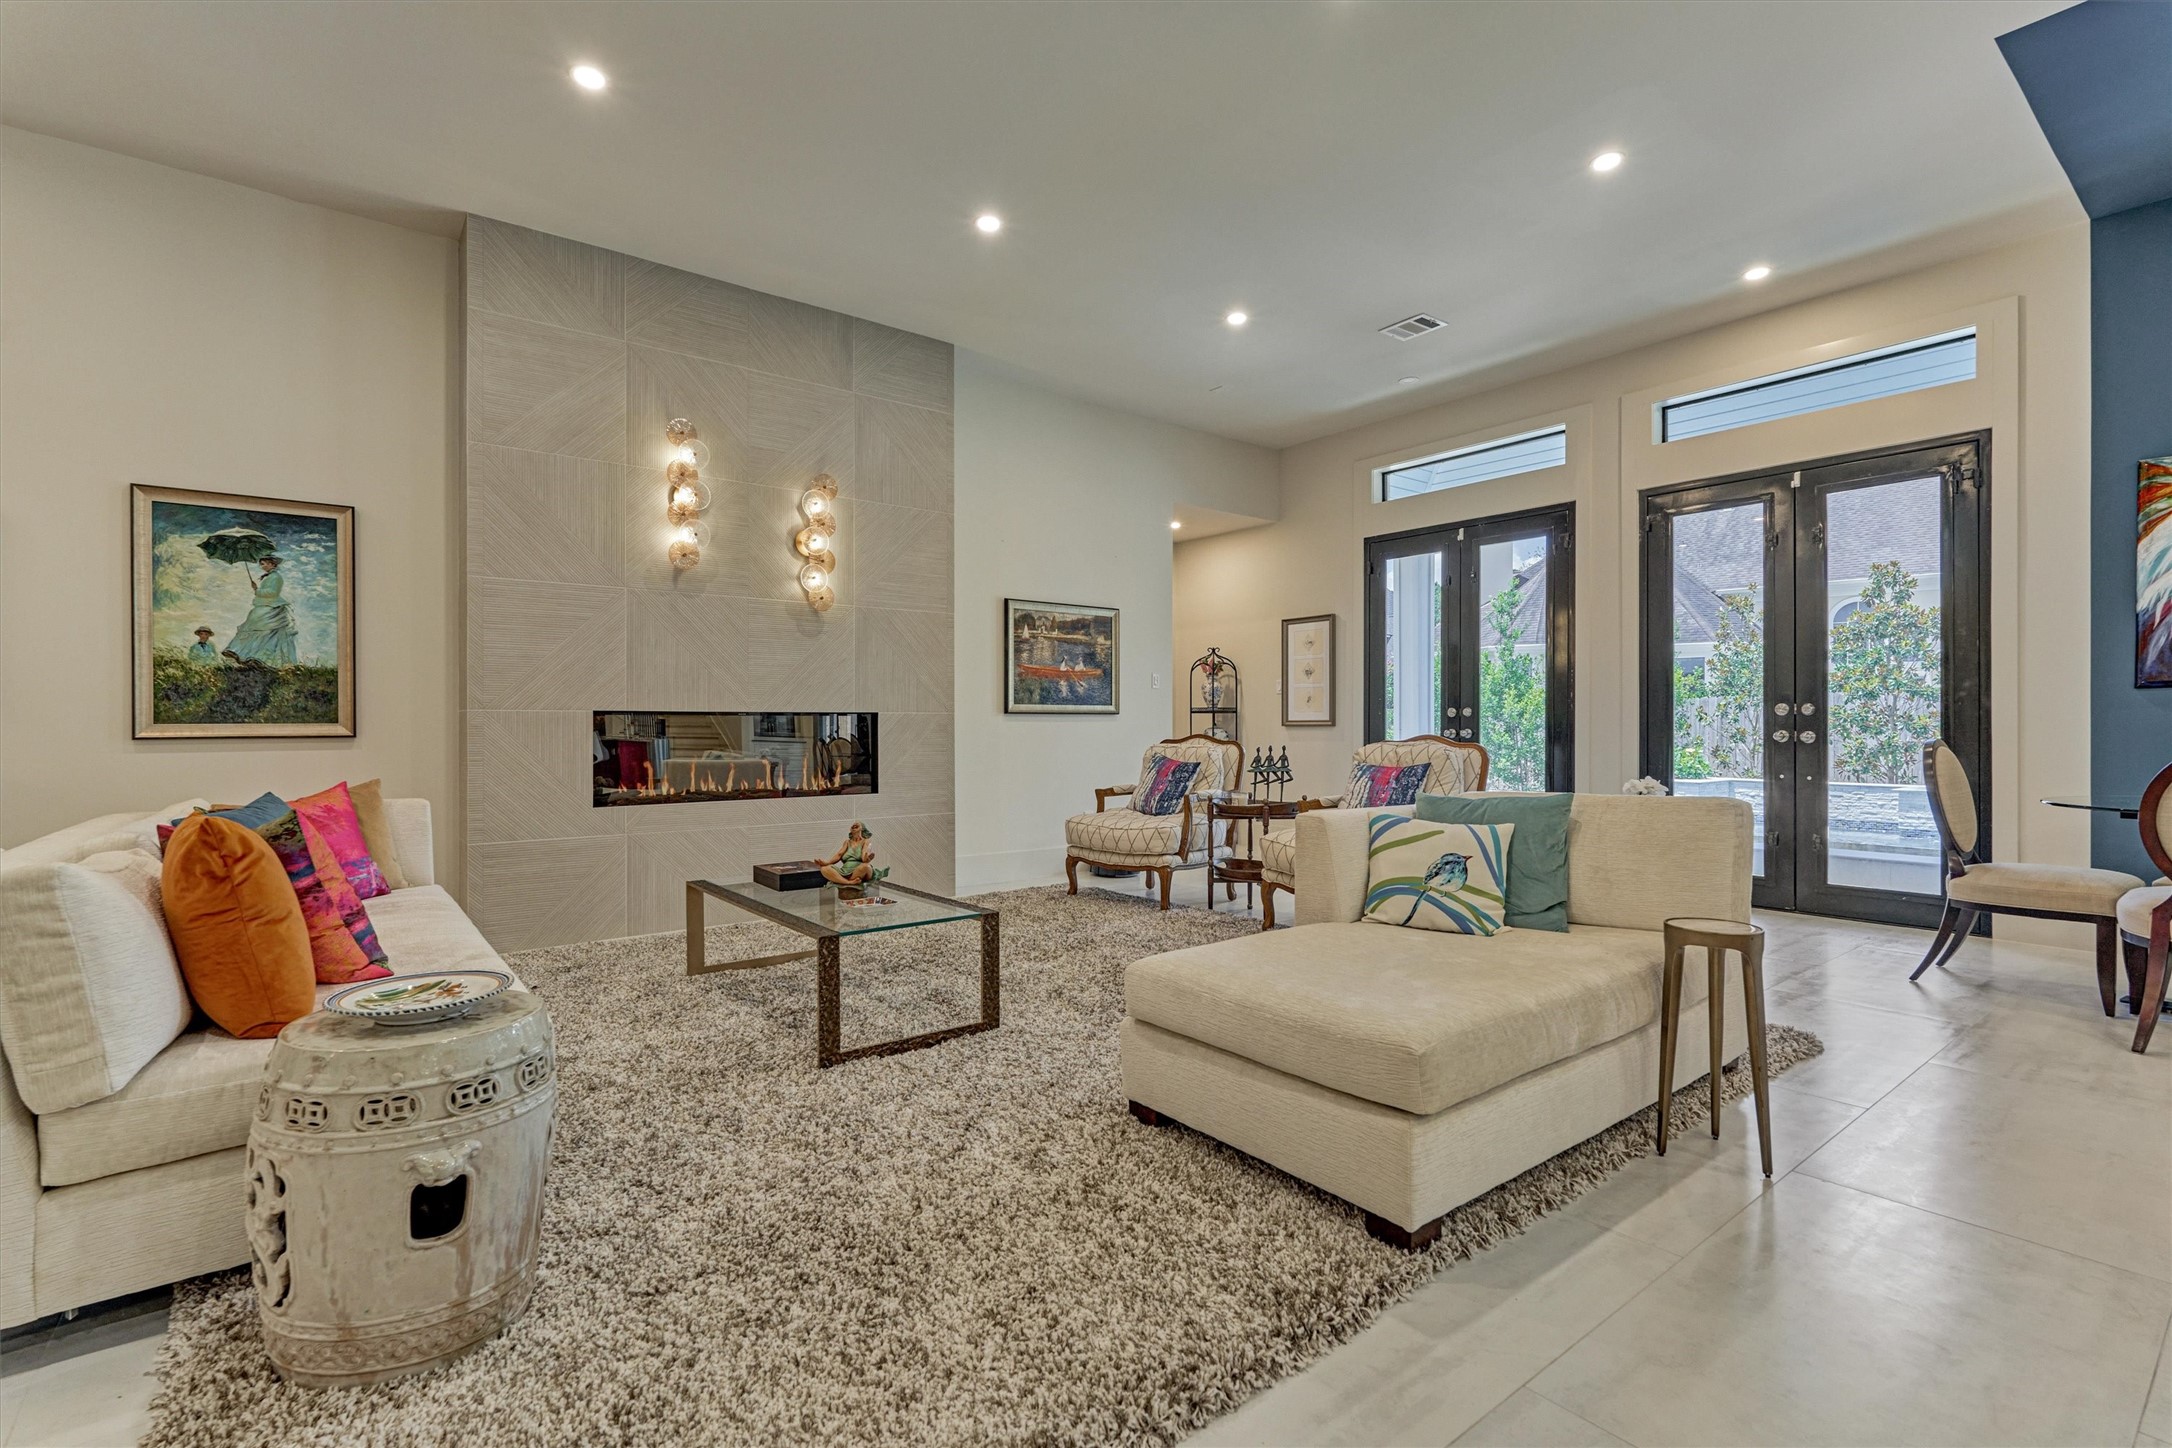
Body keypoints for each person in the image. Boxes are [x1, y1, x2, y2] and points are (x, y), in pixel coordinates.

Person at [223, 554, 299, 666]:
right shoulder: (270, 577)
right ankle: (243, 653)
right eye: (261, 564)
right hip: (265, 605)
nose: (262, 566)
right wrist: (257, 589)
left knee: (262, 629)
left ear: (272, 564)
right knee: (255, 627)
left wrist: (257, 590)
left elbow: (273, 593)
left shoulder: (276, 577)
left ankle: (257, 657)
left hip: (272, 607)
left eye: (264, 564)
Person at [817, 822, 886, 889]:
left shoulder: (866, 841)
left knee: (865, 866)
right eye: (853, 825)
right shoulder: (847, 842)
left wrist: (867, 858)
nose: (854, 824)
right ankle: (848, 882)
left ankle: (846, 881)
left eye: (857, 825)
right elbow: (839, 855)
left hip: (859, 871)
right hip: (844, 871)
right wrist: (827, 863)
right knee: (824, 869)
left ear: (862, 828)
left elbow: (864, 857)